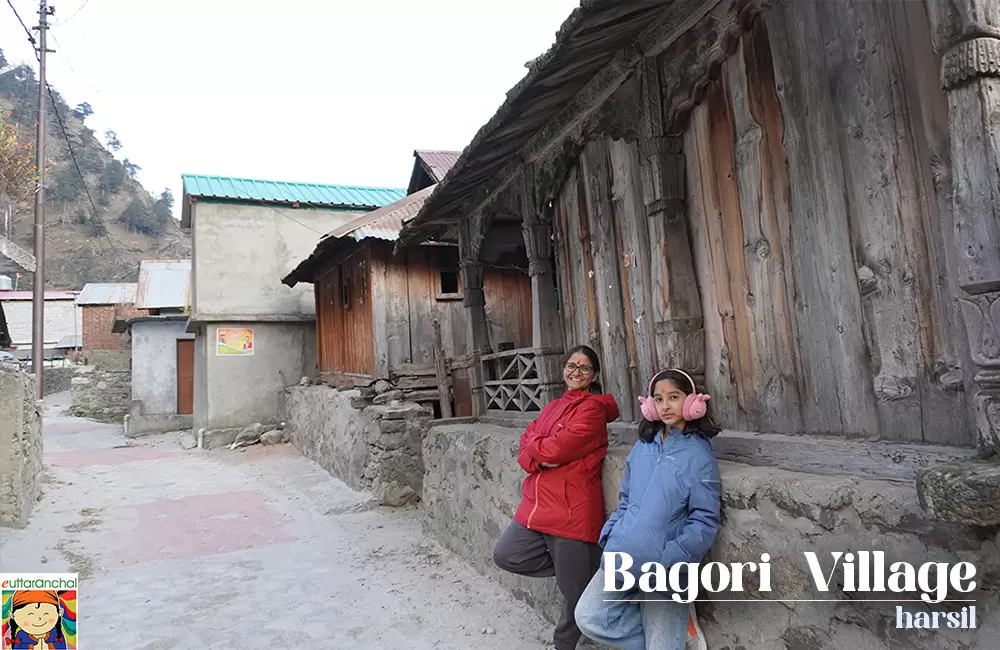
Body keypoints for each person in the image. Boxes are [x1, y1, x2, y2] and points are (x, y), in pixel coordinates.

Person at [574, 368, 722, 650]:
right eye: (658, 398)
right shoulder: (642, 447)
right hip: (624, 553)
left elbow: (704, 520)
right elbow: (626, 499)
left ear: (692, 403)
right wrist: (612, 535)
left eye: (674, 397)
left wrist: (671, 557)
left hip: (666, 569)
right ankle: (676, 637)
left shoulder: (699, 455)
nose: (665, 406)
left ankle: (671, 636)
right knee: (589, 615)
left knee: (662, 643)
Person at [492, 344, 620, 650]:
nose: (576, 372)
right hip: (537, 508)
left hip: (571, 511)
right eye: (571, 366)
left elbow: (556, 449)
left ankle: (564, 645)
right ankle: (581, 571)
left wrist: (538, 449)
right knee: (506, 554)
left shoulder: (591, 410)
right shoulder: (553, 406)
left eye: (584, 368)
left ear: (594, 375)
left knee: (573, 593)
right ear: (563, 370)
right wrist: (539, 451)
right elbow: (528, 445)